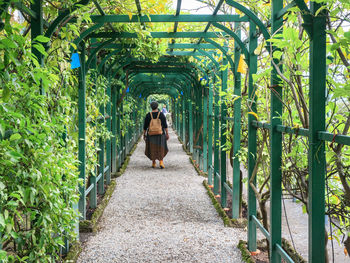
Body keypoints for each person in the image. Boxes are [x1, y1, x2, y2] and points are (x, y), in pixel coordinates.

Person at [143, 101, 169, 168]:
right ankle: (161, 162)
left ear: (151, 107)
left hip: (151, 134)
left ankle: (153, 162)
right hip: (160, 134)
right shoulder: (161, 115)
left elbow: (145, 126)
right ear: (157, 107)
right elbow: (165, 125)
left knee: (152, 147)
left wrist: (144, 134)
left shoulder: (148, 115)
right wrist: (167, 134)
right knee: (161, 147)